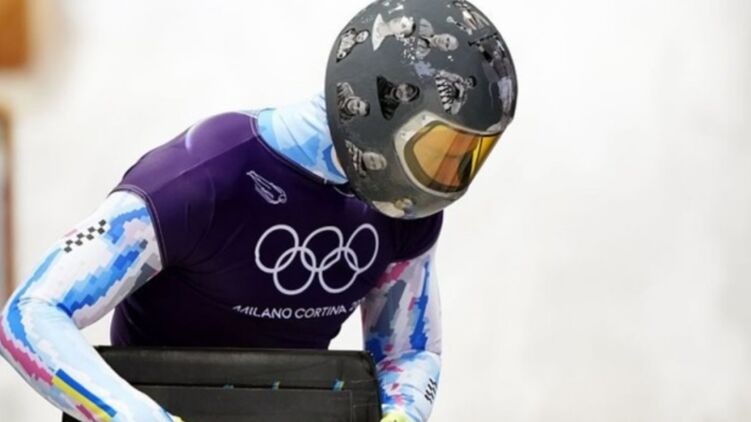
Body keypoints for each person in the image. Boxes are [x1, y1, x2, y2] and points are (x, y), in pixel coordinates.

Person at [0, 0, 517, 421]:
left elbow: (408, 351)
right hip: (165, 397)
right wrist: (136, 416)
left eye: (467, 157)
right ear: (380, 109)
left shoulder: (404, 210)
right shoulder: (205, 175)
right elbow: (29, 315)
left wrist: (402, 415)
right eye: (439, 151)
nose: (447, 179)